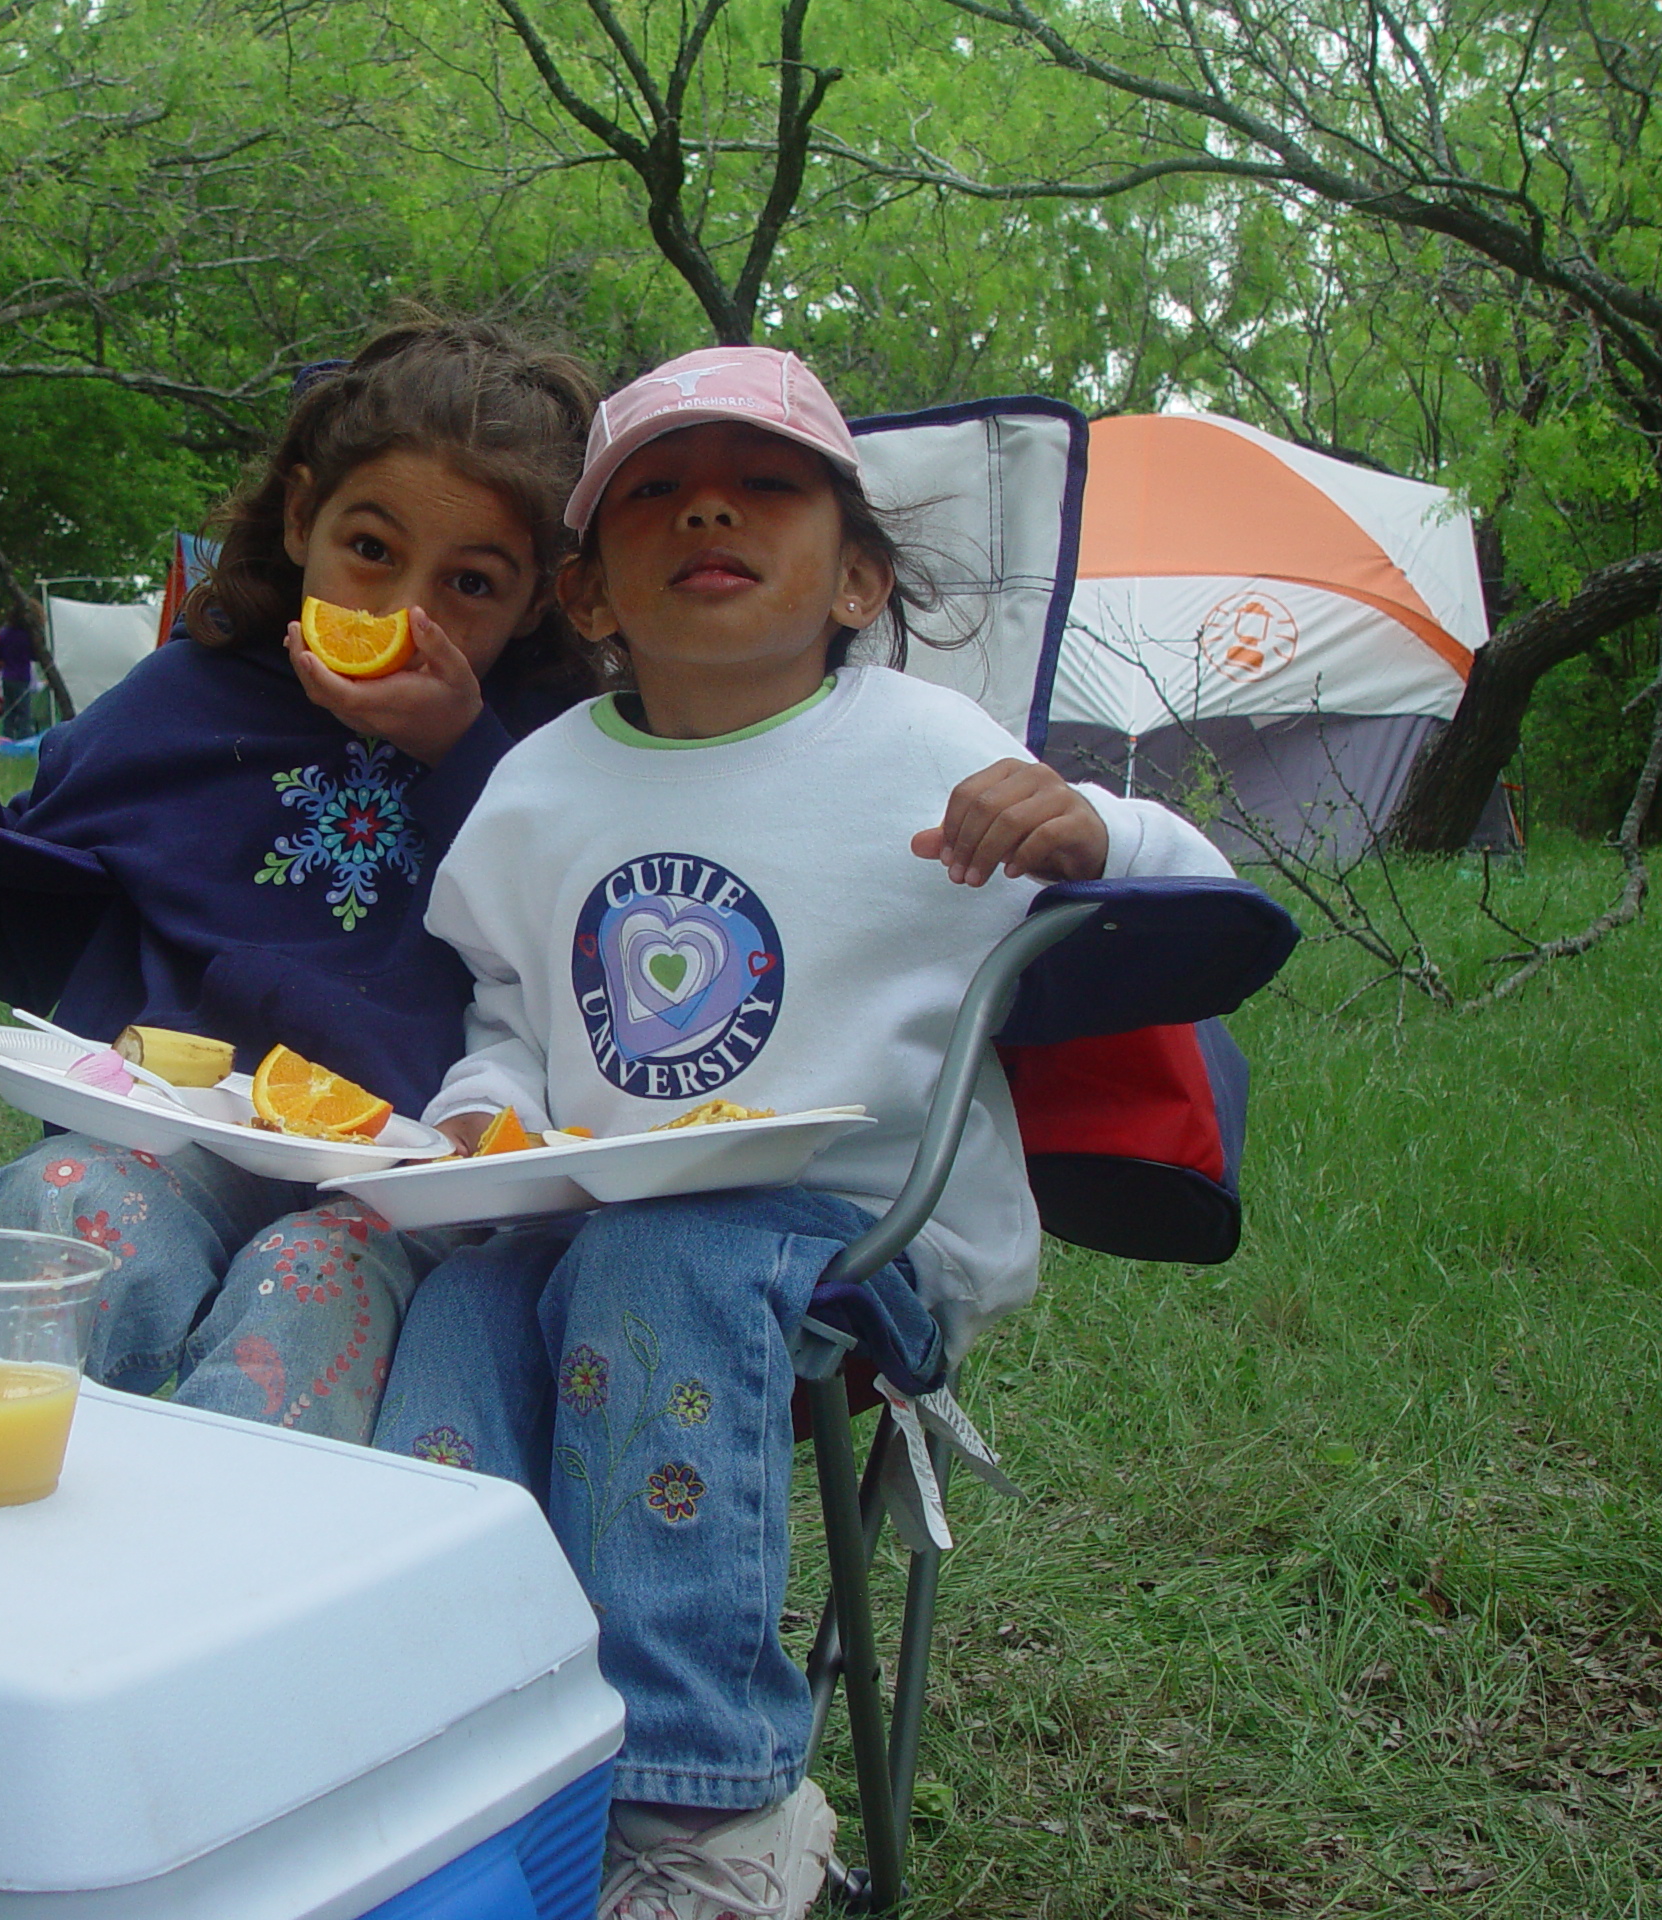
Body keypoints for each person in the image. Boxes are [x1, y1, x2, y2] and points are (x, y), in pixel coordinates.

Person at [369, 346, 1235, 1919]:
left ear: (858, 580)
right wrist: (484, 1123)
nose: (709, 502)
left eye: (766, 484)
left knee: (671, 1252)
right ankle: (466, 1754)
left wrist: (1096, 828)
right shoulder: (539, 790)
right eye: (654, 492)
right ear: (594, 597)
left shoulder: (926, 750)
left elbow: (1205, 906)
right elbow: (507, 1021)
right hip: (586, 1226)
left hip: (859, 1250)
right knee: (453, 1312)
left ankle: (708, 1810)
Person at [0, 316, 605, 1443]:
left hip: (414, 1184)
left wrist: (459, 755)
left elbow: (575, 955)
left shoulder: (554, 756)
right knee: (70, 1205)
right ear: (299, 519)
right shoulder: (183, 703)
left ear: (538, 602)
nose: (402, 613)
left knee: (307, 1281)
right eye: (370, 551)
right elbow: (49, 951)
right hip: (166, 1137)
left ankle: (244, 1592)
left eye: (470, 582)